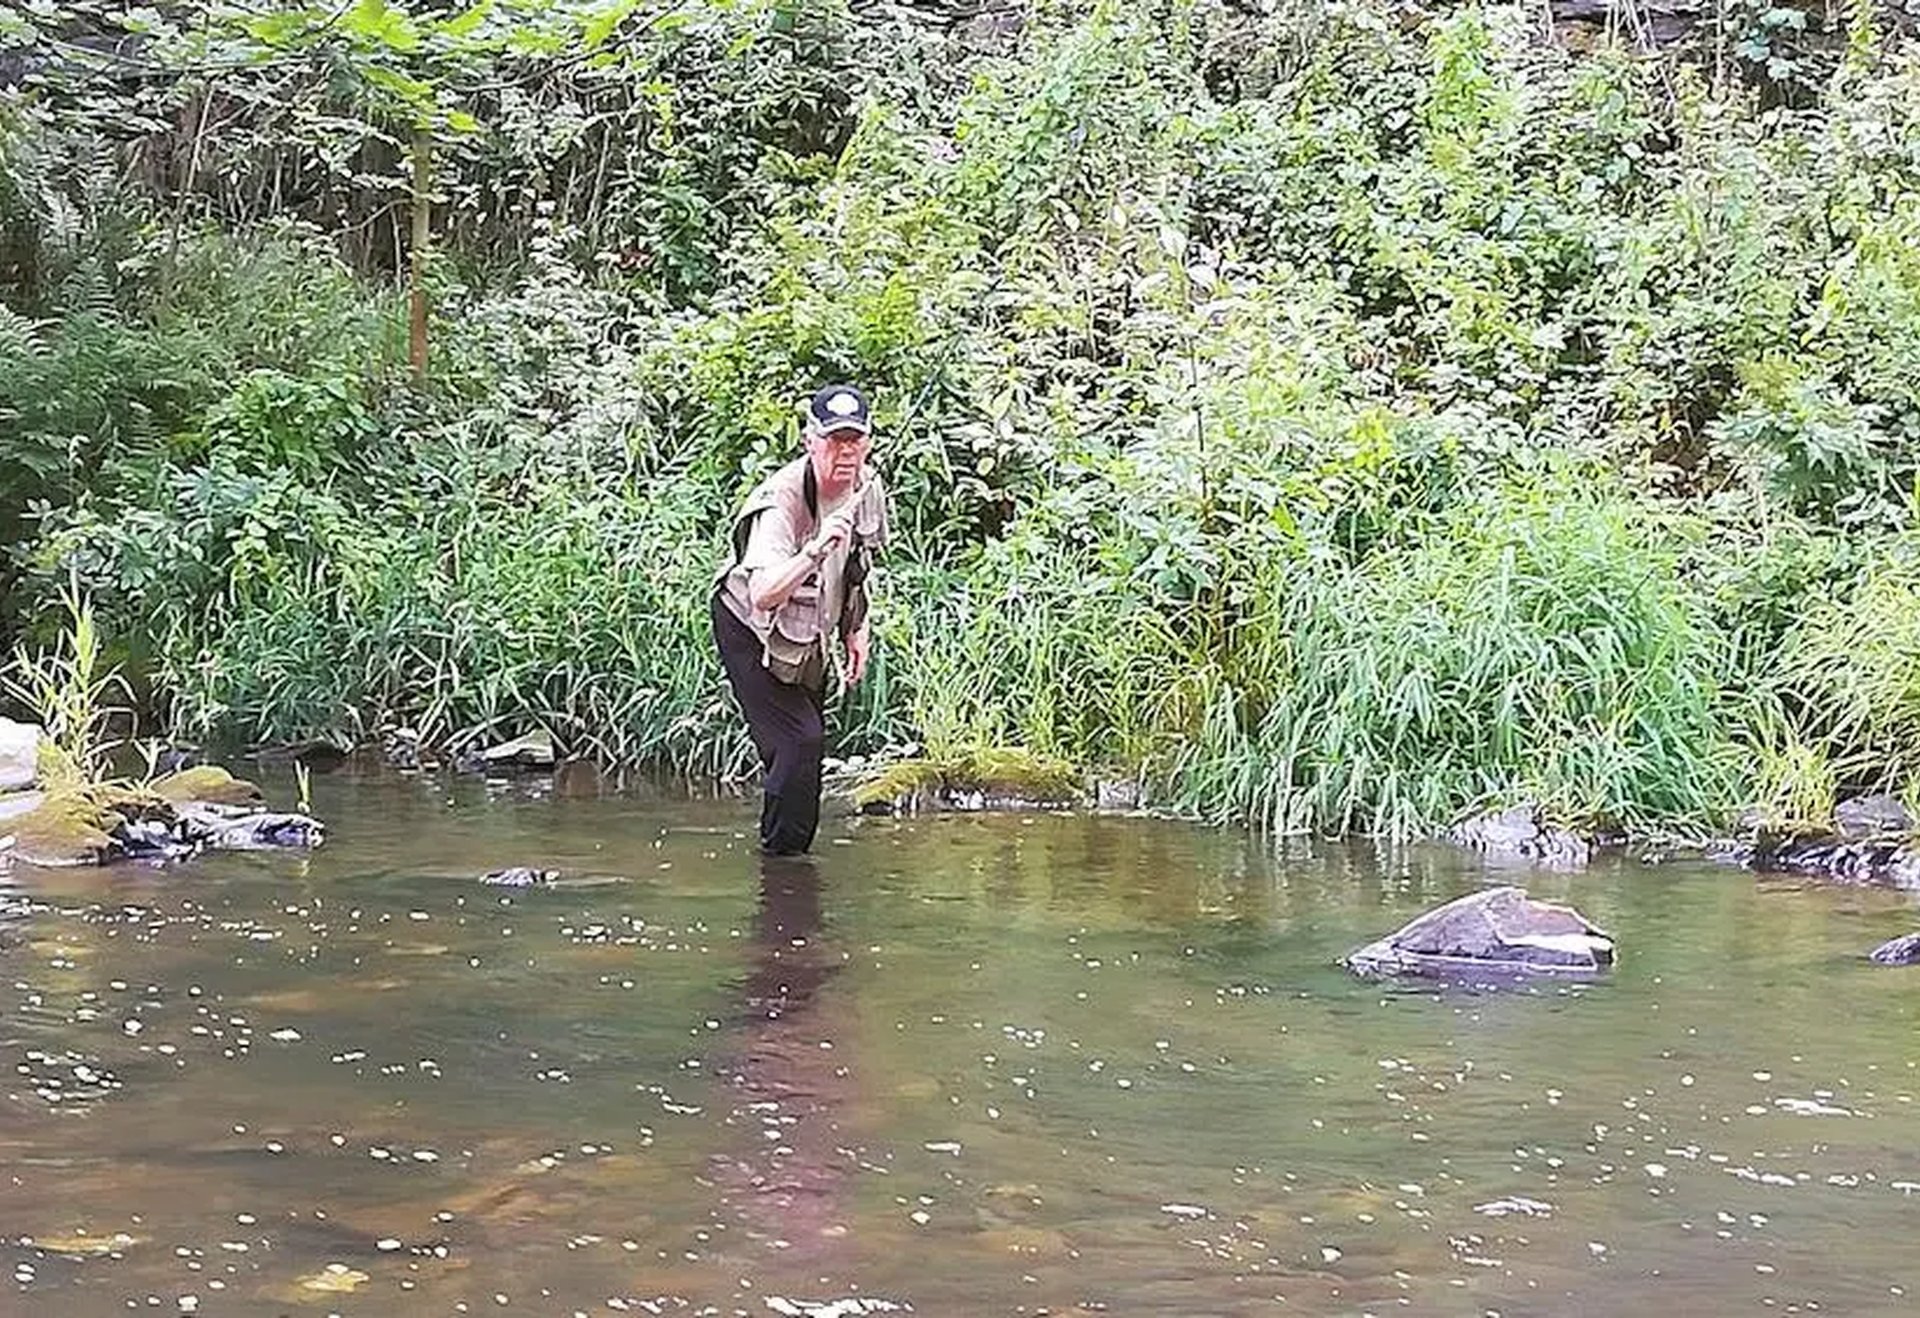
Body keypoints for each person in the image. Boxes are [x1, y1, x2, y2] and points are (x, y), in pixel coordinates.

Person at [711, 383, 889, 855]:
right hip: (747, 627)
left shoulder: (868, 489)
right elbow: (765, 593)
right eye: (834, 440)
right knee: (798, 743)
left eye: (855, 440)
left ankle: (793, 872)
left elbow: (859, 566)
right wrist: (815, 549)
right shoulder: (782, 501)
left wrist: (856, 628)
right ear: (811, 440)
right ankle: (779, 869)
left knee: (804, 754)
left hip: (802, 635)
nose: (845, 452)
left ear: (867, 442)